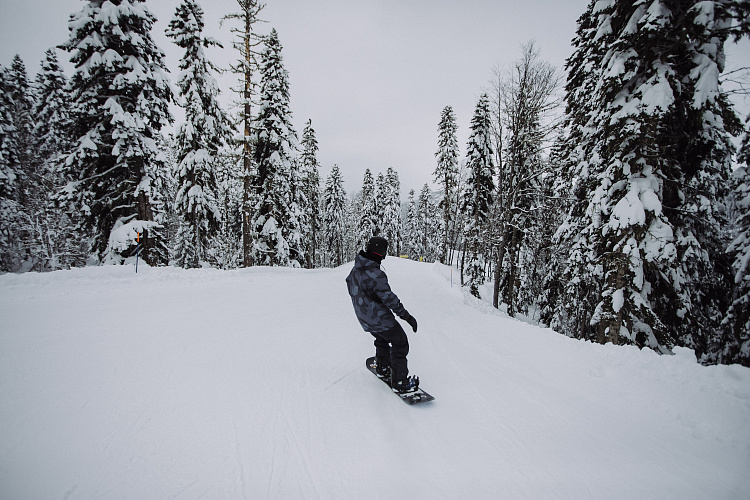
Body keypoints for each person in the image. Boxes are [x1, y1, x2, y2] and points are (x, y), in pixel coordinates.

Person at [346, 236, 420, 393]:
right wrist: (407, 317)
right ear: (382, 252)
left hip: (364, 319)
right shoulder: (375, 274)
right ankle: (400, 381)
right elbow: (389, 299)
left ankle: (382, 366)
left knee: (381, 337)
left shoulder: (356, 269)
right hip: (379, 319)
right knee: (400, 342)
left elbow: (350, 286)